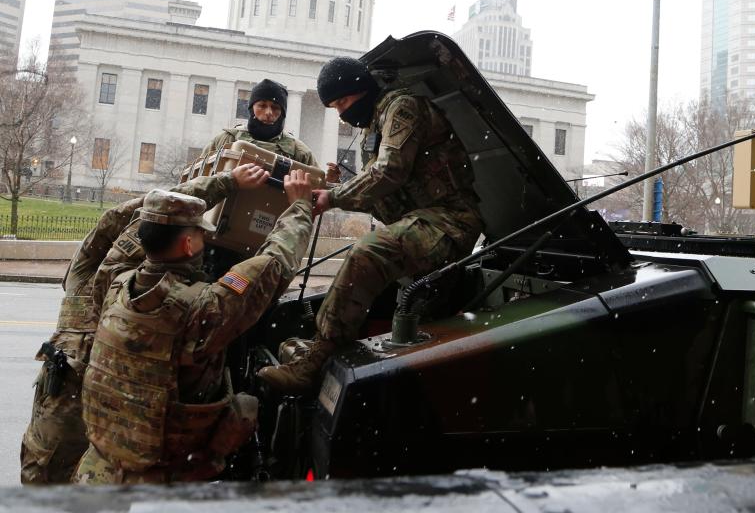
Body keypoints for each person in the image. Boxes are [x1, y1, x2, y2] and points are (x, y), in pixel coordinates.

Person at [20, 164, 270, 485]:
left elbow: (146, 216)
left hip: (103, 412)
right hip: (73, 404)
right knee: (49, 478)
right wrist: (223, 183)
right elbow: (146, 214)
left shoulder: (114, 278)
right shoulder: (100, 273)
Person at [72, 170, 315, 484]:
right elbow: (274, 263)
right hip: (166, 479)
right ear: (188, 244)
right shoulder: (201, 310)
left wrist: (226, 181)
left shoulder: (114, 283)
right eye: (202, 234)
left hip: (98, 471)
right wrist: (300, 207)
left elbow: (129, 228)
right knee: (246, 406)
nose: (207, 240)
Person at [258, 57, 484, 394]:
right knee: (365, 256)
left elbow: (388, 172)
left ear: (362, 90)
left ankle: (318, 359)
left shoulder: (403, 107)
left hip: (451, 220)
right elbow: (373, 184)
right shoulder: (374, 123)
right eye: (334, 107)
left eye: (344, 102)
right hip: (423, 220)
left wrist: (331, 199)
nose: (342, 113)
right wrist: (331, 192)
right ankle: (329, 346)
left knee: (370, 251)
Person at [201, 78, 317, 166]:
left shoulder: (300, 152)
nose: (268, 112)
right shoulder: (226, 140)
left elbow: (316, 189)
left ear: (283, 112)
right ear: (252, 108)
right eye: (262, 105)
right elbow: (196, 179)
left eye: (275, 107)